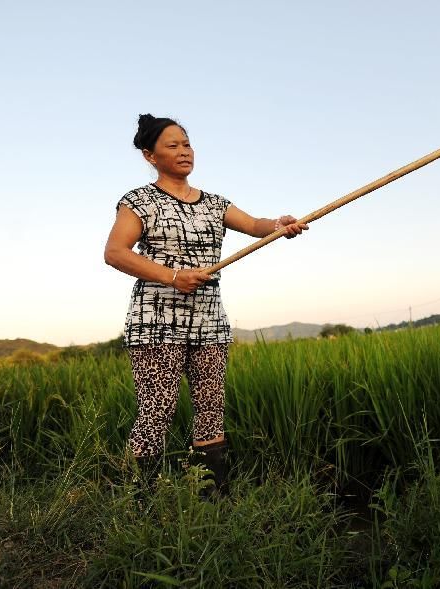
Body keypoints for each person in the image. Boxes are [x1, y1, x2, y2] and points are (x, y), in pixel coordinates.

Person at [104, 114, 308, 501]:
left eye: (186, 144)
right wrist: (174, 276)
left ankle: (212, 499)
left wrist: (279, 224)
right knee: (157, 410)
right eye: (172, 145)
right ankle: (142, 503)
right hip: (156, 322)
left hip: (210, 323)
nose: (184, 152)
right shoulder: (137, 201)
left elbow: (253, 224)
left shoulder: (214, 203)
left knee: (211, 407)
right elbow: (115, 253)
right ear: (150, 155)